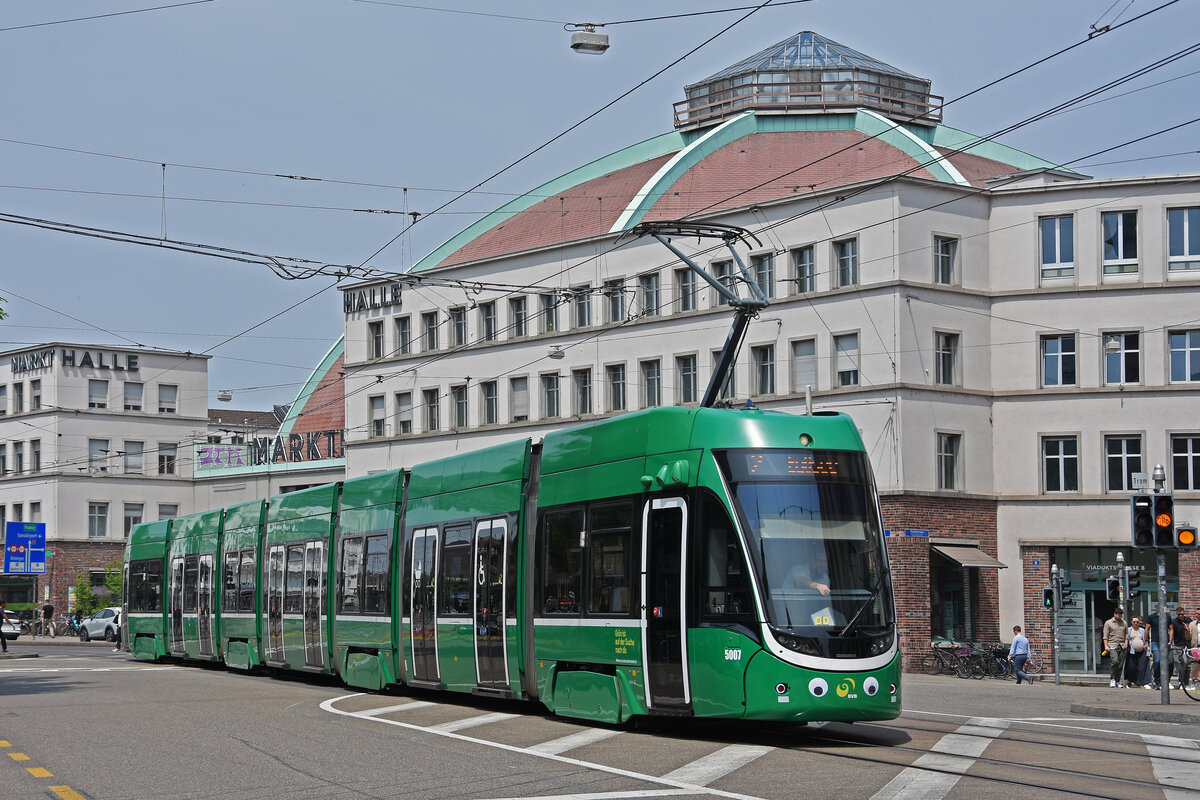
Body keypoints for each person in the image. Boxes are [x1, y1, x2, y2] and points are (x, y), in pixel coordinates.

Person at [1103, 607, 1128, 688]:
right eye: (1119, 615)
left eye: (1121, 615)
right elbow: (1105, 636)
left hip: (1122, 645)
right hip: (1112, 644)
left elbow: (1126, 634)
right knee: (1115, 661)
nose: (1120, 617)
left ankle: (1117, 681)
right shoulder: (1108, 623)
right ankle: (1112, 679)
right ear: (1115, 614)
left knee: (1120, 665)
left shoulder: (1124, 623)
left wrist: (1126, 643)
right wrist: (1106, 646)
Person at [1124, 616, 1151, 688]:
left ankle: (1140, 683)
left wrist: (1147, 648)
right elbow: (1126, 639)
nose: (1136, 623)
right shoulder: (1129, 630)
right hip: (1132, 651)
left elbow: (1146, 640)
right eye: (1134, 622)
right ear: (1131, 622)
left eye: (1137, 622)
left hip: (1142, 651)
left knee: (1141, 667)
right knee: (1131, 667)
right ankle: (1129, 681)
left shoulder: (1142, 630)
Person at [1169, 607, 1189, 689]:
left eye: (1182, 614)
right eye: (1179, 614)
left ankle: (1186, 682)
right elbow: (1171, 633)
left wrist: (1187, 629)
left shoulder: (1188, 620)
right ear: (1177, 614)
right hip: (1178, 645)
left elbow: (1190, 633)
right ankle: (1181, 682)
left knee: (1187, 664)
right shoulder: (1174, 622)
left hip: (1187, 645)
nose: (1181, 616)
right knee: (1181, 663)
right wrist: (1171, 643)